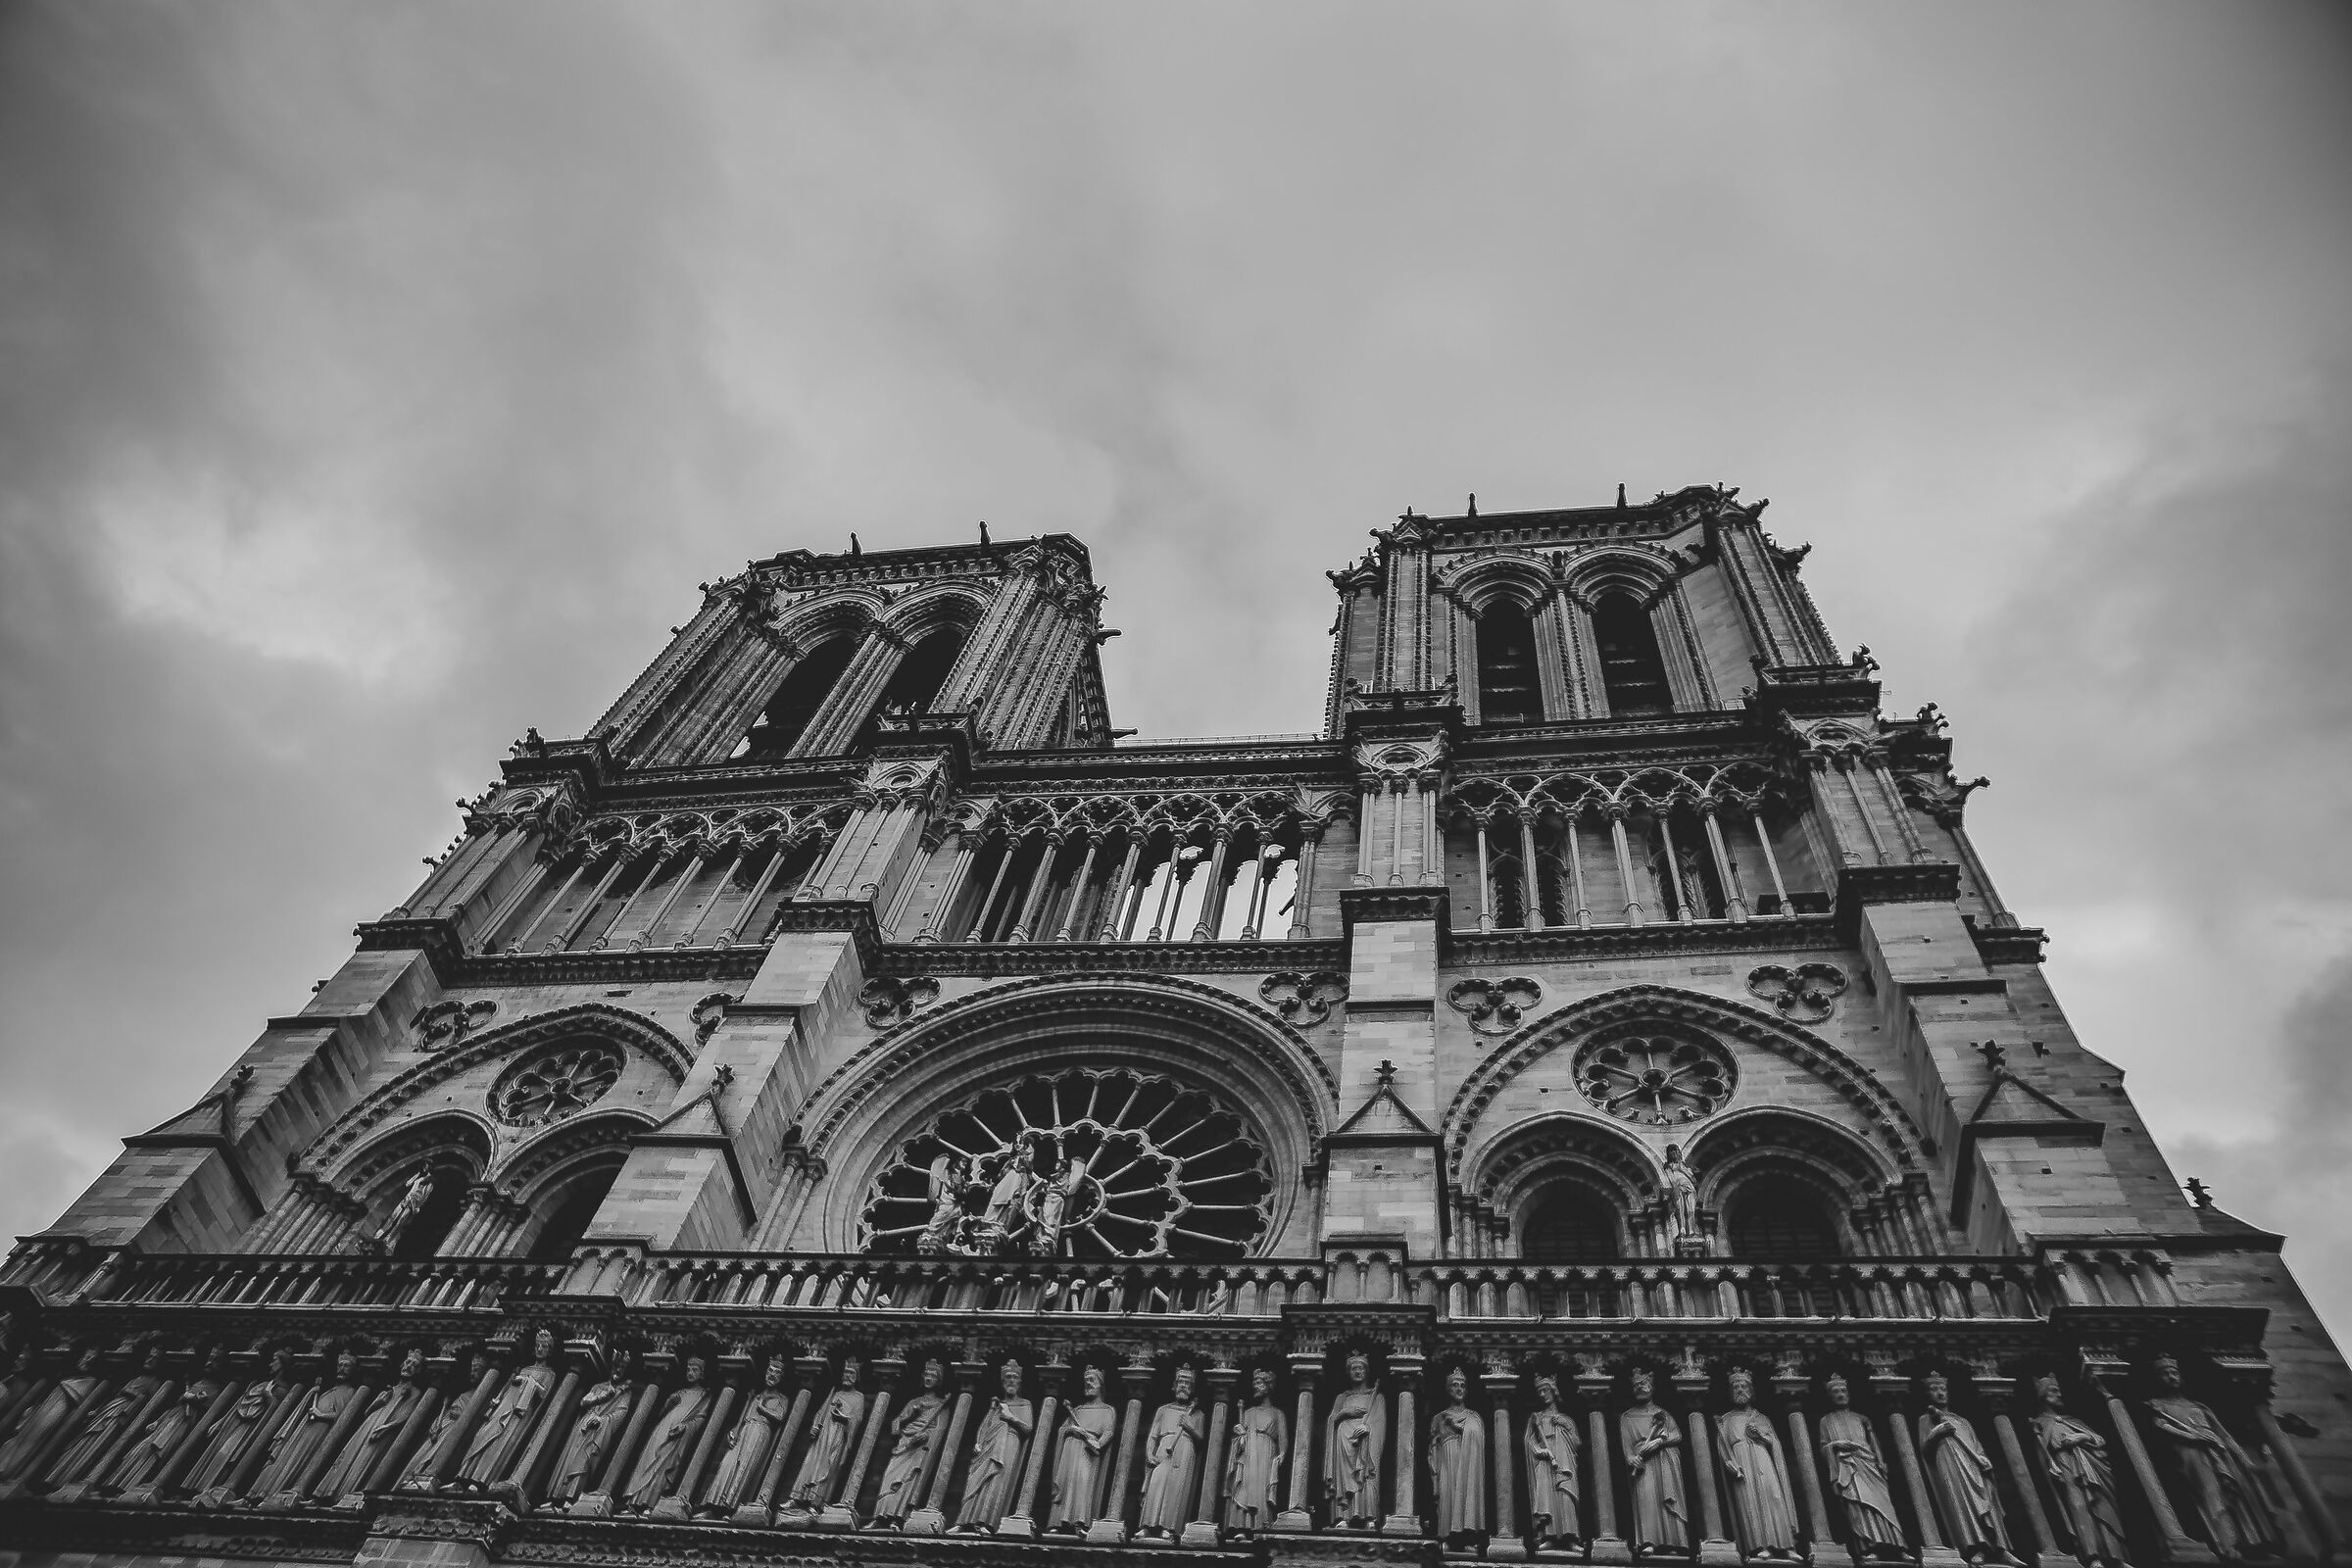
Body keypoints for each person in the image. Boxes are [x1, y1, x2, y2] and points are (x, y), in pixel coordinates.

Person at [2145, 1355, 2281, 1559]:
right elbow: (2161, 1425)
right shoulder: (2156, 1404)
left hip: (2218, 1450)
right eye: (2165, 1374)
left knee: (2237, 1496)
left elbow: (2223, 1433)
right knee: (2211, 1495)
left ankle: (2251, 1542)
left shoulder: (2199, 1406)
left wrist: (2243, 1458)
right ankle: (2227, 1545)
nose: (2171, 1377)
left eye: (2174, 1373)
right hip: (2190, 1453)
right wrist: (2192, 1435)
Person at [2030, 1374, 2129, 1567]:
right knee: (2079, 1509)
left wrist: (2081, 1437)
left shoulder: (2073, 1420)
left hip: (2093, 1468)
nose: (2059, 1395)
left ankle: (2117, 1558)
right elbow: (2042, 1453)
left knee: (2103, 1508)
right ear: (2042, 1395)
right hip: (2068, 1469)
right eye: (2053, 1391)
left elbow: (2099, 1440)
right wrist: (2052, 1465)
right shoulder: (2040, 1423)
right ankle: (2093, 1558)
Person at [1918, 1372, 2013, 1564]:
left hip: (1974, 1465)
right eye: (1934, 1390)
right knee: (1962, 1502)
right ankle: (1977, 1547)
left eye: (1943, 1389)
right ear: (1927, 1394)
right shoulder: (1926, 1419)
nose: (1940, 1393)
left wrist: (1983, 1459)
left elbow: (1976, 1444)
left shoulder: (1963, 1420)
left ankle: (2001, 1548)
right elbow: (1924, 1449)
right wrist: (1936, 1432)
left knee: (1988, 1502)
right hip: (1950, 1464)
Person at [113, 1346, 232, 1495]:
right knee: (141, 1447)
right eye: (210, 1358)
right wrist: (157, 1421)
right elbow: (175, 1406)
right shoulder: (197, 1383)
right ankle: (123, 1485)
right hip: (170, 1420)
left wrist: (194, 1398)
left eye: (216, 1360)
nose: (210, 1362)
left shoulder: (218, 1388)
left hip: (182, 1424)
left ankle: (142, 1485)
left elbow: (210, 1408)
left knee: (158, 1451)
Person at [318, 1346, 428, 1502]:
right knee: (349, 1455)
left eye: (414, 1366)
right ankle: (328, 1494)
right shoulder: (390, 1389)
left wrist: (387, 1427)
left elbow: (408, 1417)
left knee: (365, 1459)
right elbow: (366, 1413)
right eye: (408, 1363)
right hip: (369, 1425)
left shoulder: (415, 1392)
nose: (409, 1367)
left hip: (383, 1429)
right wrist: (379, 1401)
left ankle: (354, 1494)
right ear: (402, 1365)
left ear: (418, 1372)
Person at [254, 1347, 365, 1503]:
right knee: (287, 1458)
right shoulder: (331, 1389)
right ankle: (268, 1493)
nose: (341, 1369)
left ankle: (291, 1491)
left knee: (299, 1461)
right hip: (307, 1430)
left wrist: (321, 1415)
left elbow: (342, 1419)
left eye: (346, 1365)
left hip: (319, 1434)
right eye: (340, 1365)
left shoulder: (349, 1392)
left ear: (354, 1370)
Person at [50, 1343, 168, 1489]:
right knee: (83, 1439)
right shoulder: (137, 1377)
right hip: (108, 1410)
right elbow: (114, 1394)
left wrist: (131, 1395)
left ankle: (80, 1478)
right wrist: (98, 1410)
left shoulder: (155, 1383)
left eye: (155, 1358)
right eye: (149, 1356)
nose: (150, 1360)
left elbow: (148, 1405)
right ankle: (60, 1476)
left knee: (97, 1444)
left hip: (119, 1416)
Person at [1818, 1373, 1906, 1561]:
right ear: (1829, 1396)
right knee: (1857, 1505)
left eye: (1843, 1390)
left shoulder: (1862, 1418)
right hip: (1847, 1466)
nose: (1841, 1394)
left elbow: (1873, 1442)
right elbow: (1824, 1446)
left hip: (1868, 1463)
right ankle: (1868, 1546)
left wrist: (1881, 1462)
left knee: (1884, 1504)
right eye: (1836, 1392)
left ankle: (1897, 1544)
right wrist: (1836, 1445)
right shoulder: (1826, 1421)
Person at [539, 1348, 636, 1512]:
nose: (618, 1371)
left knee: (584, 1459)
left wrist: (602, 1420)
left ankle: (571, 1498)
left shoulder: (625, 1393)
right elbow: (584, 1401)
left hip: (598, 1430)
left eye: (622, 1369)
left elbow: (621, 1413)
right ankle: (556, 1498)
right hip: (583, 1425)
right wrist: (602, 1397)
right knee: (568, 1459)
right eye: (616, 1367)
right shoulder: (599, 1387)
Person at [458, 1330, 558, 1490]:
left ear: (550, 1350)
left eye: (544, 1346)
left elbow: (544, 1395)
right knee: (483, 1435)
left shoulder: (549, 1373)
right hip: (505, 1404)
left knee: (498, 1442)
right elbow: (507, 1387)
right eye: (537, 1345)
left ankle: (481, 1480)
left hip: (518, 1414)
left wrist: (527, 1381)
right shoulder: (524, 1368)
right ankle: (464, 1475)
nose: (539, 1349)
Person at [1717, 1369, 1799, 1559]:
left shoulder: (1762, 1418)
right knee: (1749, 1502)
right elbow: (1722, 1447)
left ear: (1751, 1391)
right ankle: (1759, 1546)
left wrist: (1761, 1436)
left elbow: (1775, 1444)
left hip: (1763, 1459)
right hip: (1742, 1463)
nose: (1739, 1390)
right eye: (1735, 1387)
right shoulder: (1725, 1420)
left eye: (1743, 1386)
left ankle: (1786, 1546)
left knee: (1774, 1498)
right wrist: (1729, 1463)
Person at [702, 1355, 794, 1518]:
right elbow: (744, 1416)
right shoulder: (756, 1395)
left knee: (744, 1467)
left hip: (760, 1431)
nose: (772, 1375)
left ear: (781, 1378)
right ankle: (713, 1506)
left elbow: (780, 1416)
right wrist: (735, 1430)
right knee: (726, 1465)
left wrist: (762, 1408)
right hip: (745, 1429)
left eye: (776, 1373)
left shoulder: (782, 1399)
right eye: (770, 1371)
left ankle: (731, 1508)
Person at [618, 1355, 711, 1513]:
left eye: (694, 1370)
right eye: (688, 1369)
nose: (690, 1373)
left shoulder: (704, 1395)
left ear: (702, 1374)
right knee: (648, 1460)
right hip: (663, 1429)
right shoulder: (680, 1392)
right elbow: (662, 1412)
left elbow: (701, 1418)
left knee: (663, 1465)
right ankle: (633, 1502)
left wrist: (685, 1427)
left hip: (677, 1434)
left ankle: (649, 1504)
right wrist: (669, 1402)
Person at [0, 1344, 104, 1481]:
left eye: (92, 1360)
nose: (87, 1361)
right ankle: (4, 1465)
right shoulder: (67, 1376)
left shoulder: (90, 1381)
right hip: (45, 1408)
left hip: (57, 1411)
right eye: (86, 1357)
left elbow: (77, 1402)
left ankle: (13, 1472)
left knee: (36, 1439)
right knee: (22, 1436)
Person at [953, 1358, 1033, 1531]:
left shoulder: (1024, 1404)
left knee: (997, 1480)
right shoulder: (996, 1406)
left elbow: (1028, 1428)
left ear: (1020, 1381)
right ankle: (964, 1522)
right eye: (1007, 1378)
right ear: (1003, 1382)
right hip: (988, 1446)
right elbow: (985, 1426)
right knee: (975, 1481)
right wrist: (978, 1443)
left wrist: (1010, 1417)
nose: (1011, 1381)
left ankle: (986, 1522)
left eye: (1014, 1377)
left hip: (1009, 1444)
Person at [397, 1350, 493, 1494]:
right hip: (443, 1427)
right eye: (471, 1370)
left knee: (436, 1454)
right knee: (424, 1454)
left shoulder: (480, 1397)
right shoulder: (466, 1393)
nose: (472, 1374)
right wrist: (439, 1420)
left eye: (477, 1370)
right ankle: (413, 1477)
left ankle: (429, 1476)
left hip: (453, 1430)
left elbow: (468, 1418)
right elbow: (450, 1411)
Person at [868, 1358, 948, 1530]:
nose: (928, 1378)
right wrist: (901, 1424)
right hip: (904, 1443)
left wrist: (925, 1436)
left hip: (919, 1449)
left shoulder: (942, 1406)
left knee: (908, 1481)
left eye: (933, 1376)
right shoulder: (914, 1402)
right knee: (889, 1476)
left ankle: (898, 1517)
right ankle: (880, 1516)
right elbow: (897, 1422)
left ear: (939, 1380)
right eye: (926, 1374)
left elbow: (939, 1431)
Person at [1621, 1367, 1690, 1558]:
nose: (1640, 1388)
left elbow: (1677, 1435)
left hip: (1664, 1462)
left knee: (1667, 1497)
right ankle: (1648, 1541)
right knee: (1647, 1498)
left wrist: (1660, 1442)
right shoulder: (1627, 1417)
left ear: (1652, 1387)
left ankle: (1675, 1542)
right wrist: (1631, 1458)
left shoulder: (1663, 1415)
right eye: (1636, 1385)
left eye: (1643, 1384)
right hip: (1643, 1466)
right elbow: (1626, 1445)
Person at [784, 1358, 866, 1518]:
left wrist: (844, 1418)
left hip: (838, 1436)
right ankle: (796, 1497)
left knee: (828, 1467)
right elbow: (822, 1411)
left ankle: (816, 1502)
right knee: (810, 1463)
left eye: (851, 1373)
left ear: (856, 1377)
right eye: (845, 1373)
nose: (846, 1376)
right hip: (823, 1436)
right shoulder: (836, 1393)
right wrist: (816, 1424)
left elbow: (857, 1418)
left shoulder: (859, 1397)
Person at [1136, 1364, 1204, 1540]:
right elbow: (1152, 1435)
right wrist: (1149, 1453)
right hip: (1165, 1447)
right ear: (1174, 1386)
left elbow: (1201, 1439)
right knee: (1156, 1483)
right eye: (1180, 1382)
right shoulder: (1164, 1410)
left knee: (1176, 1488)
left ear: (1192, 1388)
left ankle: (1170, 1527)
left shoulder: (1197, 1414)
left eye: (1187, 1382)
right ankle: (1147, 1526)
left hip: (1185, 1449)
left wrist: (1190, 1427)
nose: (1183, 1385)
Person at [1050, 1364, 1117, 1534]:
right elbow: (1062, 1430)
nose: (1088, 1384)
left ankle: (1079, 1522)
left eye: (1092, 1380)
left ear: (1100, 1384)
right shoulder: (1077, 1410)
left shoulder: (1108, 1410)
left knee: (1082, 1482)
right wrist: (1072, 1430)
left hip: (1088, 1451)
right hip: (1071, 1449)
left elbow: (1108, 1431)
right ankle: (1059, 1523)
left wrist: (1098, 1443)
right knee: (1066, 1483)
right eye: (1086, 1381)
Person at [1429, 1365, 1489, 1546]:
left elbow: (1478, 1440)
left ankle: (1468, 1537)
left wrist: (1458, 1428)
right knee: (1449, 1495)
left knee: (1466, 1494)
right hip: (1447, 1461)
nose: (1459, 1389)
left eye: (1462, 1385)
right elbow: (1433, 1447)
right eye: (1455, 1385)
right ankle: (1448, 1537)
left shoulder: (1474, 1417)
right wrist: (1435, 1472)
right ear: (1448, 1389)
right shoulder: (1439, 1418)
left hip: (1468, 1463)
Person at [1224, 1365, 1287, 1536]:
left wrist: (1281, 1456)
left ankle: (1260, 1525)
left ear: (1268, 1386)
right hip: (1248, 1453)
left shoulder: (1277, 1413)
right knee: (1245, 1484)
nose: (1255, 1387)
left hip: (1266, 1453)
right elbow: (1239, 1439)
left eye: (1259, 1383)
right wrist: (1238, 1435)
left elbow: (1283, 1442)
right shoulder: (1248, 1412)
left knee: (1261, 1488)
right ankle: (1241, 1527)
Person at [1325, 1351, 1386, 1528]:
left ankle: (1368, 1517)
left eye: (1360, 1368)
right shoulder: (1342, 1397)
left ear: (1367, 1371)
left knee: (1366, 1475)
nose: (1357, 1371)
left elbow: (1380, 1422)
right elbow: (1331, 1420)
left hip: (1365, 1441)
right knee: (1343, 1479)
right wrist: (1344, 1413)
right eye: (1353, 1368)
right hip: (1343, 1440)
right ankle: (1343, 1517)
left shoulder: (1376, 1397)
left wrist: (1368, 1428)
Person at [1526, 1374, 1582, 1550]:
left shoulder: (1566, 1419)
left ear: (1554, 1391)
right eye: (1539, 1392)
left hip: (1564, 1460)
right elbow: (1529, 1441)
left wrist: (1565, 1425)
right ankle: (1548, 1537)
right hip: (1544, 1461)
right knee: (1546, 1498)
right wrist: (1539, 1450)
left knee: (1565, 1496)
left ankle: (1570, 1538)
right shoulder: (1537, 1418)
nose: (1542, 1394)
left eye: (1545, 1390)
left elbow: (1577, 1443)